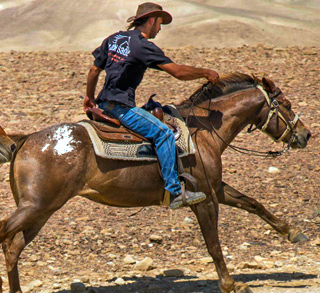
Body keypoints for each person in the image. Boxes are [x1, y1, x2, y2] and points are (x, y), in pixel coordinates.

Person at [85, 2, 221, 209]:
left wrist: (89, 98)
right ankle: (174, 192)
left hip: (103, 103)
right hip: (121, 108)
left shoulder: (113, 39)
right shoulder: (142, 45)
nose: (159, 28)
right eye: (159, 23)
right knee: (164, 133)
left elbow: (94, 71)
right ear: (151, 20)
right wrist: (205, 72)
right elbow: (176, 72)